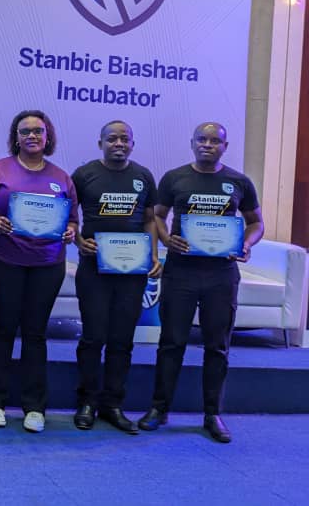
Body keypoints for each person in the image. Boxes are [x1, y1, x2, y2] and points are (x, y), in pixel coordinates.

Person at [137, 122, 263, 443]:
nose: (208, 145)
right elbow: (157, 215)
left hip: (221, 275)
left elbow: (256, 223)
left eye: (214, 141)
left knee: (217, 346)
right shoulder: (174, 178)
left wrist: (246, 244)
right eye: (202, 140)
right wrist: (167, 239)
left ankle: (212, 414)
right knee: (171, 342)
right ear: (192, 143)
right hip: (181, 272)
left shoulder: (239, 182)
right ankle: (159, 408)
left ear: (225, 146)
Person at [0, 109, 78, 433]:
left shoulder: (62, 177)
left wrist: (71, 232)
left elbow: (73, 221)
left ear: (48, 136)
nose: (32, 136)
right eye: (25, 131)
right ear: (16, 137)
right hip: (4, 260)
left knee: (35, 334)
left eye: (38, 131)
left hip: (47, 265)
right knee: (4, 328)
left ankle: (34, 407)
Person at [71, 120, 161, 434]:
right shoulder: (84, 174)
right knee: (93, 337)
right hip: (93, 270)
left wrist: (153, 254)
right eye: (112, 139)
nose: (119, 143)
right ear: (101, 143)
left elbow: (149, 220)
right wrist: (78, 241)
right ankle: (87, 402)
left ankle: (112, 404)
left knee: (122, 341)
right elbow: (69, 216)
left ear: (133, 144)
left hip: (131, 272)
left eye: (125, 139)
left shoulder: (143, 176)